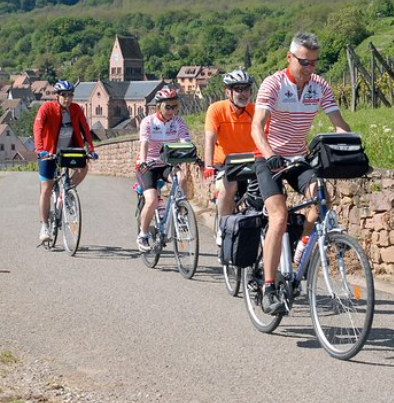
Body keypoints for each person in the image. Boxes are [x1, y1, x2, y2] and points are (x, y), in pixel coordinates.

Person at [251, 32, 351, 315]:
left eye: (314, 63)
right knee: (279, 217)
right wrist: (270, 156)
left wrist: (349, 147)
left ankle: (299, 250)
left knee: (321, 200)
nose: (310, 69)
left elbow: (338, 123)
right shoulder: (273, 84)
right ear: (290, 58)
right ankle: (269, 286)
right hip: (268, 158)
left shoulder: (319, 85)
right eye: (304, 63)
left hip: (298, 157)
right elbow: (257, 127)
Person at [33, 80, 97, 245]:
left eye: (70, 95)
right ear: (57, 96)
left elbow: (85, 128)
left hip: (68, 150)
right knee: (46, 189)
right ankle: (44, 226)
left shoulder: (76, 109)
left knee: (83, 167)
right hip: (49, 153)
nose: (67, 98)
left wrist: (90, 148)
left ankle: (67, 192)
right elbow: (38, 128)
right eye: (64, 95)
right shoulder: (47, 108)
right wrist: (40, 150)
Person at [203, 69, 256, 245]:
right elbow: (210, 137)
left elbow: (267, 135)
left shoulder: (255, 111)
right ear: (228, 92)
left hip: (252, 162)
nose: (243, 93)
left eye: (246, 89)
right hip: (225, 164)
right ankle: (224, 228)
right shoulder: (216, 109)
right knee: (230, 184)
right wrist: (208, 165)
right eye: (238, 89)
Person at [136, 87, 191, 252]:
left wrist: (190, 160)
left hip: (168, 164)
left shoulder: (178, 122)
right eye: (168, 107)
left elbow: (185, 143)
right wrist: (144, 161)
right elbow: (144, 143)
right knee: (151, 200)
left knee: (181, 178)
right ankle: (143, 234)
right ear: (158, 106)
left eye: (175, 106)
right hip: (149, 166)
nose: (172, 111)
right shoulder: (148, 122)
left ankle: (180, 213)